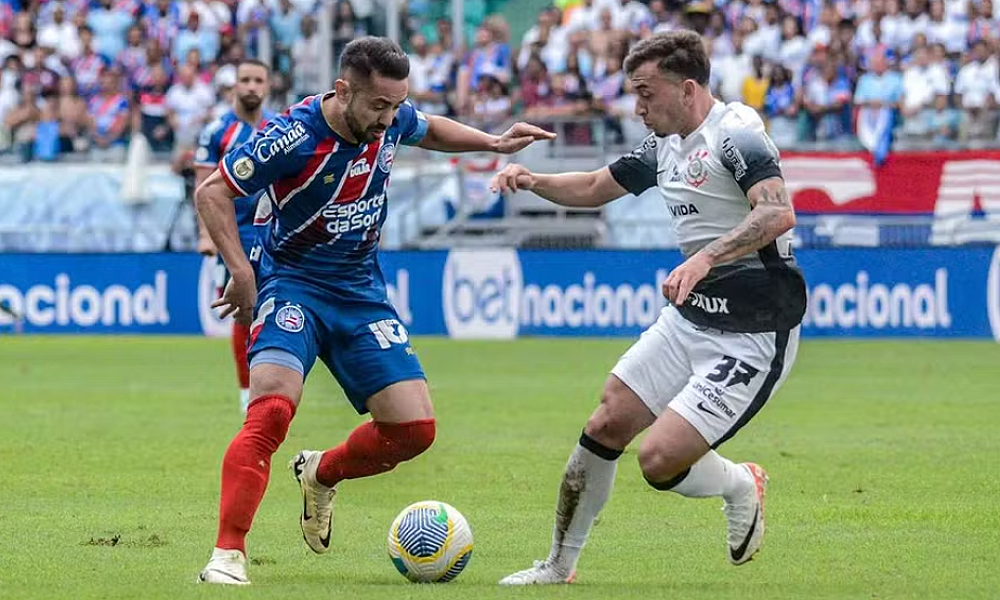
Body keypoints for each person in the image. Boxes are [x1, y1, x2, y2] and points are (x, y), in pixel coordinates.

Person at [194, 36, 554, 585]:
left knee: (414, 431)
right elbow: (212, 193)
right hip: (292, 284)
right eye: (379, 106)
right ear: (343, 91)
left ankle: (321, 472)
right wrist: (242, 272)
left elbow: (428, 127)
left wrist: (494, 142)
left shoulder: (392, 115)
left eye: (396, 104)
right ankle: (227, 555)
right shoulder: (290, 137)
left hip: (360, 290)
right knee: (270, 412)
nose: (390, 119)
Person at [490, 30, 806, 585]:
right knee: (607, 418)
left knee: (659, 461)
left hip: (755, 327)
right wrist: (533, 179)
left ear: (687, 88)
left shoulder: (736, 133)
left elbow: (777, 214)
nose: (636, 107)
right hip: (689, 316)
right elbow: (593, 185)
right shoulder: (664, 144)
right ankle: (557, 566)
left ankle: (739, 483)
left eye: (645, 93)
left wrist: (705, 258)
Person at [194, 58, 275, 413]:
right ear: (234, 86)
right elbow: (203, 186)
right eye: (245, 80)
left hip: (275, 233)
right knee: (245, 310)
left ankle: (272, 384)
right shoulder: (216, 131)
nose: (252, 86)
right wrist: (206, 234)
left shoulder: (279, 128)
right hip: (234, 234)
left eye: (258, 80)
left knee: (276, 310)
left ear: (268, 86)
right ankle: (247, 392)